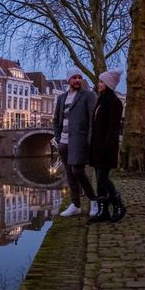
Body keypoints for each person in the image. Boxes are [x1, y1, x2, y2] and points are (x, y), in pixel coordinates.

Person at [53, 66, 98, 217]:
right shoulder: (61, 98)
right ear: (69, 80)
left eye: (80, 77)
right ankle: (75, 204)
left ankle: (93, 200)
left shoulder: (88, 96)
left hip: (79, 141)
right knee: (69, 173)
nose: (78, 80)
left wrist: (90, 141)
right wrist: (58, 138)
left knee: (77, 171)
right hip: (63, 142)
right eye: (75, 77)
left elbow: (93, 120)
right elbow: (56, 119)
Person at [88, 68, 126, 223]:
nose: (99, 84)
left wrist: (105, 147)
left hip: (105, 148)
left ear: (109, 84)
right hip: (96, 147)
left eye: (102, 81)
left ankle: (118, 204)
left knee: (102, 177)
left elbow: (112, 129)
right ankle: (103, 211)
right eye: (99, 81)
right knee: (98, 178)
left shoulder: (115, 103)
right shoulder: (100, 100)